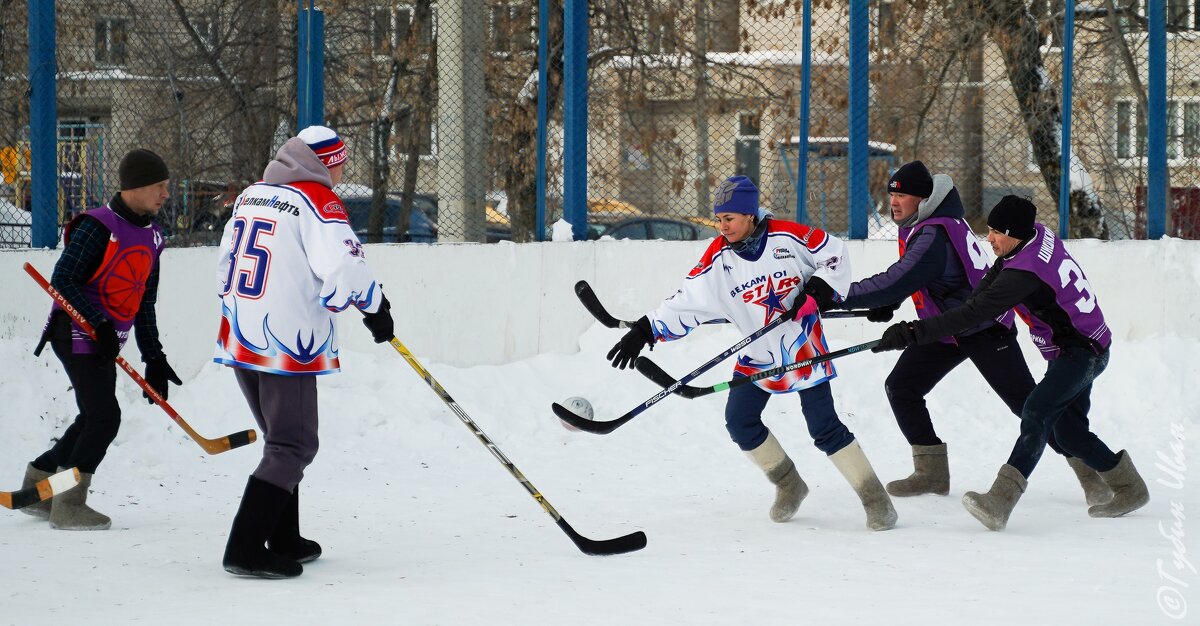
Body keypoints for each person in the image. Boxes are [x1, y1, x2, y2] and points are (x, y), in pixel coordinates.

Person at [608, 175, 897, 531]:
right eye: (718, 218)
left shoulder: (788, 237)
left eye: (729, 218)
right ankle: (790, 485)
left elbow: (834, 254)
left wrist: (818, 291)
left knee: (824, 428)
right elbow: (687, 302)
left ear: (749, 215)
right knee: (740, 422)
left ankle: (875, 499)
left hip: (803, 348)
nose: (722, 225)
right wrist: (645, 329)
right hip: (758, 355)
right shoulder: (718, 258)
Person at [831, 161, 1109, 504]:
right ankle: (931, 472)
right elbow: (921, 278)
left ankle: (1090, 471)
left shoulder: (933, 233)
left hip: (984, 327)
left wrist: (834, 295)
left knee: (1029, 407)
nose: (895, 201)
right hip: (947, 328)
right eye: (892, 194)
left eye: (903, 194)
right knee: (902, 386)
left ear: (923, 198)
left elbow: (899, 278)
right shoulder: (928, 222)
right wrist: (889, 302)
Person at [872, 195, 1150, 530]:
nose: (988, 238)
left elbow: (974, 313)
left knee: (1036, 411)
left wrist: (914, 332)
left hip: (1082, 351)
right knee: (1068, 431)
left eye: (995, 233)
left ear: (1015, 234)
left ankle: (1001, 500)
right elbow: (980, 295)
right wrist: (919, 328)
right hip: (1074, 345)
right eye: (988, 230)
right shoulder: (1033, 238)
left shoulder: (1024, 274)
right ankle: (1129, 487)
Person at [215, 125, 394, 578]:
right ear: (325, 163)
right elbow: (346, 267)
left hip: (241, 332)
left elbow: (223, 265)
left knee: (279, 439)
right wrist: (376, 308)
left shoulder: (253, 194)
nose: (340, 171)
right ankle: (246, 547)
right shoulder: (316, 199)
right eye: (339, 162)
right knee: (292, 444)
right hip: (286, 341)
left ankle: (283, 536)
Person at [18, 148, 179, 531]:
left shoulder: (154, 236)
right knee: (106, 418)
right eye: (159, 186)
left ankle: (39, 483)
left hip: (104, 339)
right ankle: (70, 505)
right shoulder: (98, 226)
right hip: (74, 332)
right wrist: (99, 324)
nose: (165, 194)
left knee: (92, 416)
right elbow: (63, 280)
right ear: (135, 186)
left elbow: (144, 299)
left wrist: (154, 356)